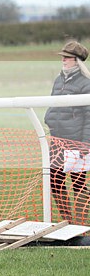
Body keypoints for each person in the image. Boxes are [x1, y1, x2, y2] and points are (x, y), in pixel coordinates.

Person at [44, 40, 90, 225]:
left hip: (76, 142)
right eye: (63, 57)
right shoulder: (59, 79)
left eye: (67, 57)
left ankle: (80, 223)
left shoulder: (86, 83)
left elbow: (89, 116)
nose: (63, 60)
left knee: (78, 185)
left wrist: (85, 144)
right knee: (55, 182)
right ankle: (67, 221)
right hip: (57, 141)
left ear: (77, 60)